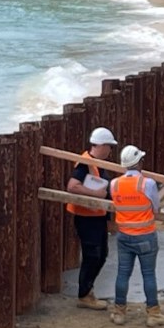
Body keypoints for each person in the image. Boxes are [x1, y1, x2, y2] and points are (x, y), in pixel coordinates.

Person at [109, 145, 164, 328]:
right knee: (149, 275)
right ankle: (153, 313)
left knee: (122, 274)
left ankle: (119, 312)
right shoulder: (147, 183)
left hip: (124, 236)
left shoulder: (115, 184)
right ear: (139, 163)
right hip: (145, 236)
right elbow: (156, 208)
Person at [66, 126, 117, 311]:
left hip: (97, 216)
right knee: (92, 255)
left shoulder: (97, 163)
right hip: (87, 217)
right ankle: (84, 295)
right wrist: (96, 194)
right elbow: (73, 187)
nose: (111, 151)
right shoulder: (84, 163)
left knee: (101, 255)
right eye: (109, 146)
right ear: (101, 145)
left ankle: (87, 291)